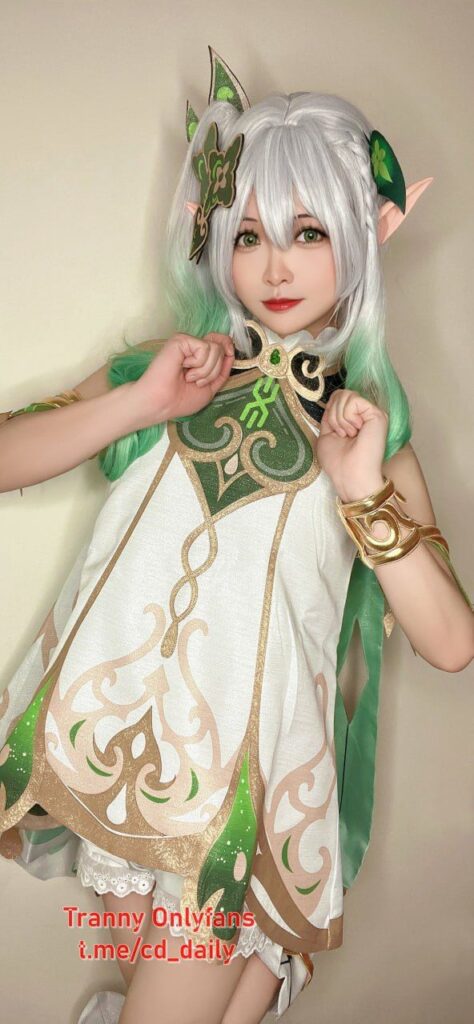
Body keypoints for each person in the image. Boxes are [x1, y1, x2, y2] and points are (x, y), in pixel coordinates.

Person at [0, 46, 472, 1024]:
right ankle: (268, 978)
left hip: (241, 810)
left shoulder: (366, 429)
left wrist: (361, 489)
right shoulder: (170, 370)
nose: (275, 265)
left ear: (362, 236)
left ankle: (267, 967)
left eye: (309, 231)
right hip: (111, 764)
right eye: (249, 234)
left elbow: (450, 641)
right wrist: (136, 404)